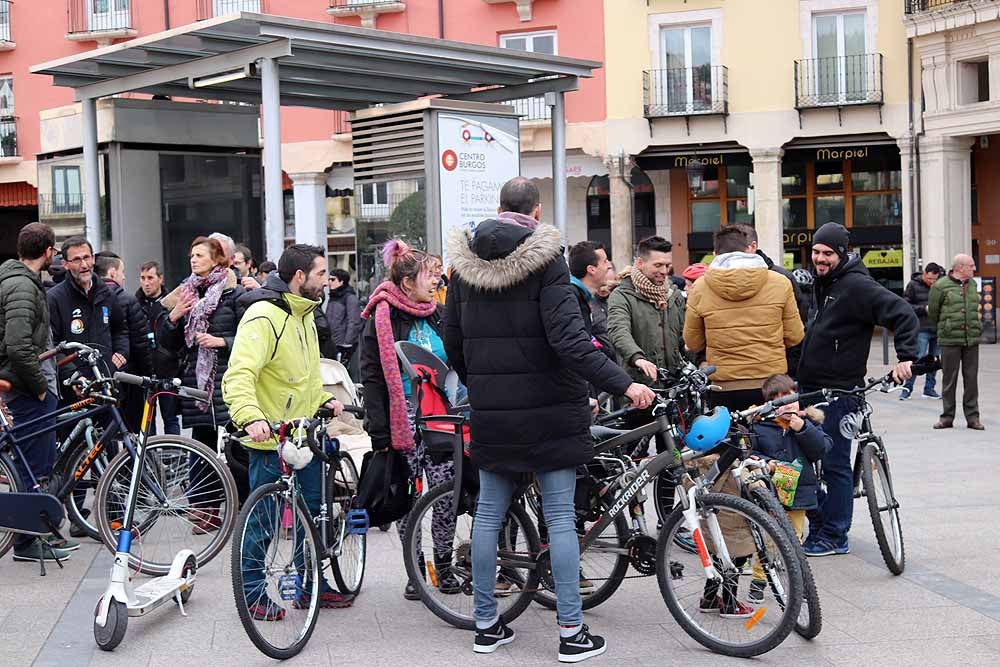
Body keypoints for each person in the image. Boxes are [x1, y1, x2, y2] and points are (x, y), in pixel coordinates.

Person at [444, 176, 654, 662]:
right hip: (550, 410)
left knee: (490, 515)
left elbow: (453, 339)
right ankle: (570, 633)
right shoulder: (547, 265)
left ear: (498, 208)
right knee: (560, 517)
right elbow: (571, 342)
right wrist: (624, 384)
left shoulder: (463, 267)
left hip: (493, 409)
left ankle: (485, 626)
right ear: (536, 214)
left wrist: (481, 383)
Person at [222, 244, 348, 618]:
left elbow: (301, 380)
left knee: (314, 513)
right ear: (300, 278)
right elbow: (240, 374)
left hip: (303, 435)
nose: (327, 280)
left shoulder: (305, 315)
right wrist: (249, 416)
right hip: (270, 438)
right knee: (264, 521)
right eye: (321, 273)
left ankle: (311, 586)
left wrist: (321, 402)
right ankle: (253, 593)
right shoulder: (264, 315)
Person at [797, 222, 918, 557]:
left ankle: (835, 535)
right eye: (816, 252)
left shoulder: (856, 286)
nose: (819, 259)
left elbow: (903, 313)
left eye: (827, 253)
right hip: (810, 387)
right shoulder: (824, 283)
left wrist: (906, 357)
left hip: (839, 390)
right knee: (799, 457)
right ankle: (821, 521)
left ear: (841, 253)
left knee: (834, 462)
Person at [359, 239, 460, 601]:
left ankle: (445, 565)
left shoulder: (439, 313)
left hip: (443, 419)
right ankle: (415, 569)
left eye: (436, 275)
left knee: (446, 493)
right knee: (410, 497)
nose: (434, 282)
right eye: (427, 276)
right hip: (403, 420)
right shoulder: (381, 318)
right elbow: (371, 377)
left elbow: (458, 363)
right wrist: (380, 433)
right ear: (405, 283)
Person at [0, 223, 74, 563]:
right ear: (47, 251)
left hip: (23, 383)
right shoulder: (21, 286)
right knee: (32, 466)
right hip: (26, 387)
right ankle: (27, 543)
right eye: (54, 251)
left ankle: (31, 536)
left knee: (31, 464)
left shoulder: (20, 281)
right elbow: (17, 345)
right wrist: (40, 387)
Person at [160, 236, 246, 528]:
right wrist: (174, 316)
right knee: (202, 446)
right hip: (197, 382)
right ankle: (203, 509)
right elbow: (167, 344)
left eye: (199, 255)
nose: (193, 260)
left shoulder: (234, 292)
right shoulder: (185, 293)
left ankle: (244, 506)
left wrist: (222, 341)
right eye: (191, 255)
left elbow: (251, 336)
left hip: (228, 379)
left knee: (236, 444)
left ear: (217, 258)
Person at [684, 226, 803, 411]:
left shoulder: (700, 287)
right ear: (748, 249)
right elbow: (795, 335)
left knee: (730, 438)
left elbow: (693, 343)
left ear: (715, 253)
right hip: (771, 383)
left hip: (724, 386)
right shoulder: (780, 282)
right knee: (771, 438)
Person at [746, 374, 831, 604]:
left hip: (799, 493)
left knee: (794, 539)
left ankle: (797, 581)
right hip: (770, 492)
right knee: (768, 538)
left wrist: (802, 428)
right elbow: (750, 453)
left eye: (791, 397)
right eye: (780, 400)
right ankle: (759, 580)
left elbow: (821, 448)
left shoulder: (807, 423)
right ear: (770, 406)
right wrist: (766, 462)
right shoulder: (759, 426)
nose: (787, 404)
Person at [47, 237, 129, 401]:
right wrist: (73, 375)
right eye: (76, 260)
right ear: (65, 264)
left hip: (107, 385)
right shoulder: (54, 298)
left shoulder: (107, 293)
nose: (83, 265)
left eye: (86, 258)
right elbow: (51, 346)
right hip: (74, 391)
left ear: (93, 259)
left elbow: (121, 329)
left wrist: (121, 353)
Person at [607, 236, 687, 388]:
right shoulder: (621, 295)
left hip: (676, 387)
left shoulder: (674, 295)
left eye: (667, 265)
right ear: (640, 263)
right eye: (658, 265)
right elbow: (618, 331)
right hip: (640, 387)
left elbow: (684, 337)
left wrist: (700, 359)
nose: (664, 271)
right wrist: (637, 358)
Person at [735, 223, 810, 378]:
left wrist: (788, 371)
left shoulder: (783, 279)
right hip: (736, 374)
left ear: (752, 246)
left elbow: (797, 331)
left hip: (775, 374)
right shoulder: (721, 281)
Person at [94, 253, 153, 433]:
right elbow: (140, 342)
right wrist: (148, 372)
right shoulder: (127, 299)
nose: (124, 276)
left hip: (99, 373)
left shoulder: (90, 298)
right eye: (122, 271)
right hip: (129, 376)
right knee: (132, 431)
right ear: (112, 273)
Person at [928, 254, 984, 430]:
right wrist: (945, 327)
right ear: (960, 268)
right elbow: (933, 313)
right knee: (949, 380)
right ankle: (947, 417)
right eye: (971, 265)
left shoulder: (973, 284)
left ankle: (973, 418)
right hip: (949, 339)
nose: (974, 268)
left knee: (971, 379)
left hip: (971, 339)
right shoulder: (940, 286)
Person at [136, 261, 181, 435]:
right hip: (145, 369)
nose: (146, 283)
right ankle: (149, 457)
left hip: (168, 368)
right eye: (142, 278)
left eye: (150, 278)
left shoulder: (170, 302)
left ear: (160, 279)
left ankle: (174, 456)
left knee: (170, 417)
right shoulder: (135, 302)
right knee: (148, 418)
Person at [567, 241, 616, 366]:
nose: (609, 266)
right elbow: (577, 349)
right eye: (605, 261)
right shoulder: (571, 299)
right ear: (591, 269)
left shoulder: (580, 297)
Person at [901, 262, 944, 400]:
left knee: (935, 360)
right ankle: (907, 389)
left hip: (937, 329)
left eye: (935, 279)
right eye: (930, 278)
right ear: (924, 274)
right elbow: (905, 304)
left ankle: (929, 389)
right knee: (917, 358)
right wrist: (923, 309)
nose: (932, 282)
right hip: (921, 329)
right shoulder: (913, 285)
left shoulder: (940, 285)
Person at [326, 268, 362, 367]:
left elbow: (354, 321)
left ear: (341, 281)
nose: (329, 282)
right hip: (334, 343)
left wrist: (347, 343)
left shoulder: (350, 298)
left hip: (344, 345)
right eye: (329, 279)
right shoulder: (333, 296)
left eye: (333, 280)